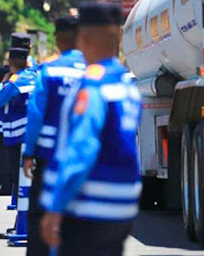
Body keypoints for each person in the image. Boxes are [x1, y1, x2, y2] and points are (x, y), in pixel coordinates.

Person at [40, 4, 142, 256]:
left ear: (83, 39)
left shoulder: (92, 87)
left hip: (86, 209)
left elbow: (81, 151)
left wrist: (55, 207)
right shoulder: (126, 86)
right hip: (120, 210)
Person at [22, 16, 86, 256]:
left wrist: (29, 153)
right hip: (84, 159)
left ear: (58, 40)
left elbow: (36, 113)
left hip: (49, 159)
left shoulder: (49, 71)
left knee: (41, 215)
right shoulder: (94, 72)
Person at [0, 47, 41, 203]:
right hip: (36, 134)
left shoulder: (15, 82)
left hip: (16, 136)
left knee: (18, 176)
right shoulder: (39, 77)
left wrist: (3, 83)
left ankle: (22, 219)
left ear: (11, 63)